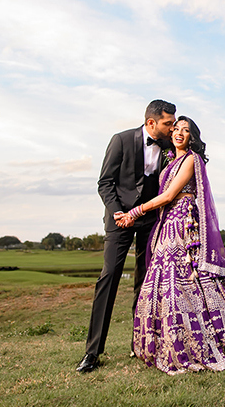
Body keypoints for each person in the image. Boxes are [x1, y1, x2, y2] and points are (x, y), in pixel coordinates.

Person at [115, 116, 225, 374]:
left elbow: (168, 195)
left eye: (186, 130)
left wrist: (134, 213)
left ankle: (214, 342)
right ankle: (168, 344)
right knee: (166, 283)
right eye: (176, 128)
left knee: (194, 280)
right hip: (168, 223)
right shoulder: (170, 159)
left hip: (184, 225)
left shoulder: (192, 159)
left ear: (193, 136)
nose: (179, 133)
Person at [76, 99, 176, 373]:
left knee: (144, 283)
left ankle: (140, 345)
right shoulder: (120, 140)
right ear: (150, 122)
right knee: (109, 278)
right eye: (168, 123)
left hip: (150, 221)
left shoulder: (169, 146)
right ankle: (92, 353)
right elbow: (104, 182)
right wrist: (119, 213)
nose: (172, 127)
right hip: (119, 220)